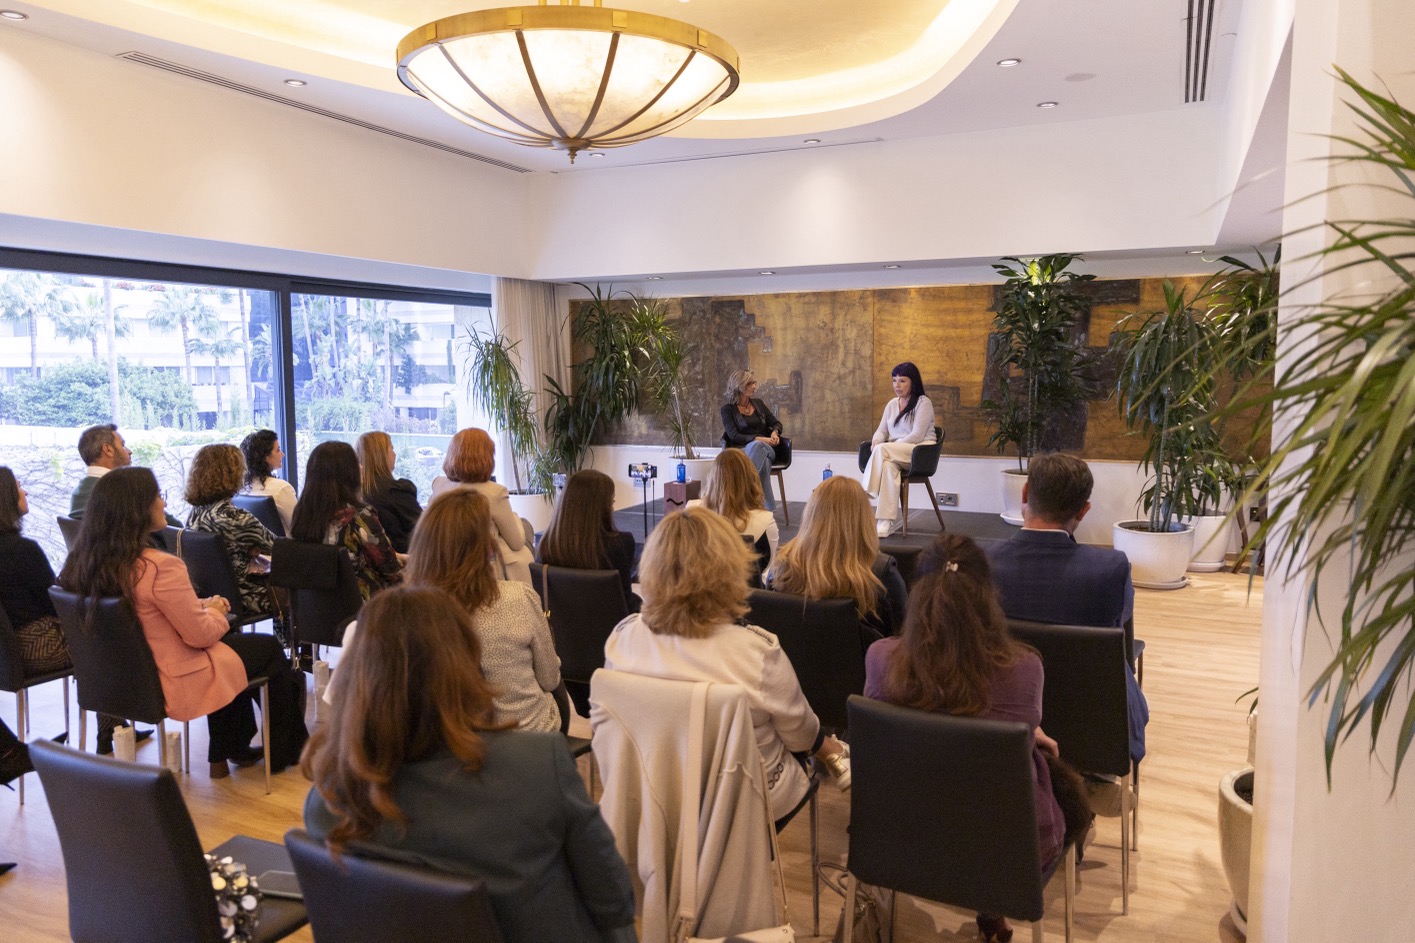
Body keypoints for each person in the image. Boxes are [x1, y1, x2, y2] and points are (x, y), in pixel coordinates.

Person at [302, 586, 637, 943]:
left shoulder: (328, 800)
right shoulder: (539, 765)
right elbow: (614, 899)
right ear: (465, 667)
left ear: (355, 677)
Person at [864, 534, 1079, 943]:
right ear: (988, 597)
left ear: (917, 593)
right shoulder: (1025, 669)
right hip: (1005, 853)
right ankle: (992, 912)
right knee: (1038, 791)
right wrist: (1028, 732)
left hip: (900, 841)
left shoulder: (879, 659)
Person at [602, 506, 851, 826]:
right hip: (744, 805)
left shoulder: (622, 639)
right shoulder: (756, 651)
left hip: (654, 796)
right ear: (728, 570)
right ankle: (836, 753)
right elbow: (801, 736)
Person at [56, 467, 308, 777]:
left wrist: (201, 607)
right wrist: (216, 611)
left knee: (235, 650)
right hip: (175, 676)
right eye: (158, 496)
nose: (163, 503)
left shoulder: (82, 566)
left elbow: (147, 613)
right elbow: (200, 635)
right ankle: (285, 752)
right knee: (264, 649)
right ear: (138, 510)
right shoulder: (159, 566)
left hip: (122, 680)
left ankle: (229, 751)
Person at [980, 452, 1149, 764]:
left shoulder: (981, 563)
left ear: (1025, 494)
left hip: (1003, 715)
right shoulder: (1109, 569)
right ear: (1083, 511)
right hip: (1097, 727)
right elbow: (1119, 637)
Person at [405, 489, 563, 732]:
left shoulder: (412, 615)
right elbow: (550, 679)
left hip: (456, 741)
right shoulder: (519, 598)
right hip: (530, 736)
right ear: (485, 547)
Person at [765, 475, 909, 644]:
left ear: (810, 515)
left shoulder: (780, 568)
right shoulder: (881, 574)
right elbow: (905, 637)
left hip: (790, 660)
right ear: (864, 519)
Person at [290, 441, 402, 600]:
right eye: (356, 462)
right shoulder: (360, 516)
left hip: (312, 609)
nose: (361, 467)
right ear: (348, 474)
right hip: (365, 608)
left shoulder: (302, 514)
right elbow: (391, 570)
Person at [429, 428, 533, 584]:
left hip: (445, 566)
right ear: (487, 457)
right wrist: (515, 517)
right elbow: (516, 542)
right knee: (525, 530)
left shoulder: (439, 485)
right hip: (486, 570)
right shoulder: (494, 492)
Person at [184, 444, 275, 617]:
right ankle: (289, 634)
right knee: (302, 584)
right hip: (248, 597)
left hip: (210, 595)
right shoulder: (236, 518)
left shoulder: (195, 513)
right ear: (234, 474)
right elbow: (280, 549)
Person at [537, 469, 640, 612]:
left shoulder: (546, 546)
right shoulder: (620, 545)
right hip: (611, 625)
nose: (612, 508)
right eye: (611, 502)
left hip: (562, 625)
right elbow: (625, 604)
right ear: (602, 508)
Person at [861, 362, 936, 537]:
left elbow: (917, 435)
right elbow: (882, 430)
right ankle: (885, 522)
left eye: (902, 381)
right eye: (894, 380)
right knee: (888, 466)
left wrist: (887, 446)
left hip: (919, 451)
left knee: (882, 451)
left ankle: (865, 492)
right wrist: (877, 440)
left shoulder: (923, 403)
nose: (897, 385)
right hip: (895, 453)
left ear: (913, 382)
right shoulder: (891, 404)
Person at [690, 449, 779, 586]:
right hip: (749, 596)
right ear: (751, 479)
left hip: (699, 594)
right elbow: (767, 569)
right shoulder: (767, 522)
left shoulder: (691, 513)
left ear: (712, 478)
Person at [69, 423, 180, 526]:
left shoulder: (77, 494)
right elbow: (176, 528)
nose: (130, 451)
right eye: (123, 445)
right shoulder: (124, 492)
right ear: (108, 450)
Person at [719, 369, 783, 512]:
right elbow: (734, 435)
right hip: (741, 451)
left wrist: (774, 432)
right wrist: (759, 439)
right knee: (764, 464)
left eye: (754, 383)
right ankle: (769, 511)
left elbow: (776, 423)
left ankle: (740, 491)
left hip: (767, 448)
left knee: (758, 446)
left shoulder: (758, 404)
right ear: (739, 386)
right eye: (749, 384)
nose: (754, 386)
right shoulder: (727, 410)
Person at [357, 431, 422, 554]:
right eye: (391, 448)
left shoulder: (358, 494)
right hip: (407, 560)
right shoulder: (396, 492)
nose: (395, 454)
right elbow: (426, 532)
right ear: (381, 455)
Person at [240, 429, 297, 535]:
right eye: (278, 450)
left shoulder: (242, 490)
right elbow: (300, 528)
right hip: (287, 545)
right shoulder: (281, 488)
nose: (282, 454)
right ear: (265, 457)